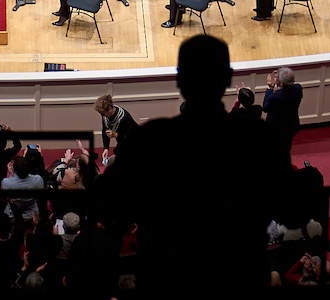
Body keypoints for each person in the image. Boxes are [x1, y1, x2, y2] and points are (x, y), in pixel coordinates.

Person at [95, 36, 274, 289]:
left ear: (179, 81)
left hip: (167, 273)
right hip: (239, 273)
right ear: (227, 78)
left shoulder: (149, 139)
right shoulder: (258, 137)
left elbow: (109, 203)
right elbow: (286, 207)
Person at [262, 67, 303, 166]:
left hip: (275, 129)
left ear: (280, 82)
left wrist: (270, 88)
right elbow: (290, 83)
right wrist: (281, 74)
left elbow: (265, 108)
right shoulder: (298, 89)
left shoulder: (274, 97)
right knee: (286, 148)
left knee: (274, 150)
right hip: (291, 126)